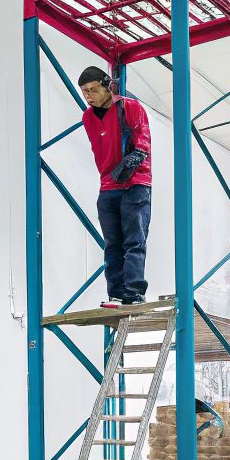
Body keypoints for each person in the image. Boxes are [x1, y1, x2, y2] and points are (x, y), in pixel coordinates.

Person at [78, 66, 151, 307]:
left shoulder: (131, 107)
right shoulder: (88, 118)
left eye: (93, 90)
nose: (88, 96)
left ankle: (134, 293)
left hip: (134, 184)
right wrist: (111, 175)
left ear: (108, 86)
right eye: (84, 91)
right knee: (112, 245)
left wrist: (129, 164)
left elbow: (142, 146)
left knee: (134, 241)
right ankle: (116, 294)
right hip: (108, 186)